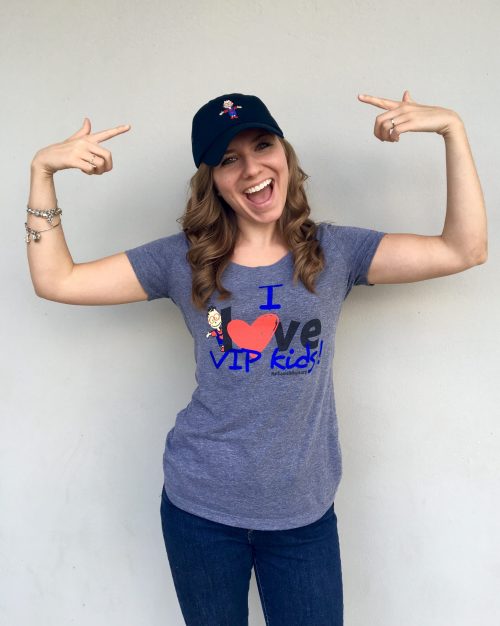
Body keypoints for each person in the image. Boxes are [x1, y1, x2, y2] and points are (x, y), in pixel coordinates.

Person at [26, 91, 487, 626]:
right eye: (229, 159)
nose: (251, 169)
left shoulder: (335, 252)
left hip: (302, 516)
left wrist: (452, 129)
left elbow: (465, 248)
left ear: (285, 155)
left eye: (262, 146)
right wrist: (42, 172)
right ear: (213, 180)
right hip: (200, 510)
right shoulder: (182, 259)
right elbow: (57, 280)